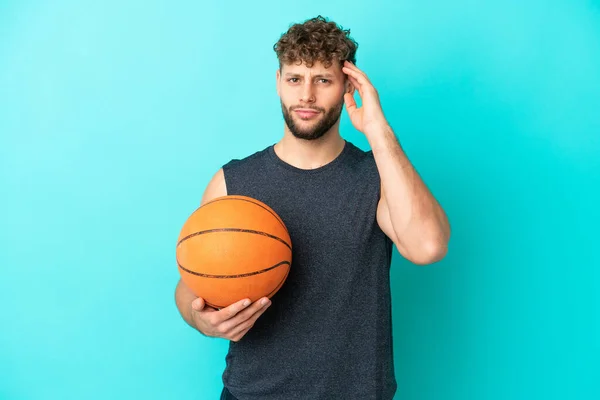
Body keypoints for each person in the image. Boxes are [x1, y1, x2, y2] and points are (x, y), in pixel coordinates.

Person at [175, 15, 451, 400]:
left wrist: (377, 129)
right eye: (294, 79)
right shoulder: (233, 181)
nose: (306, 95)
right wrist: (200, 318)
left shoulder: (379, 177)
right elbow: (190, 286)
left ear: (346, 87)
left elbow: (428, 246)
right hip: (252, 394)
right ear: (278, 83)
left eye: (322, 80)